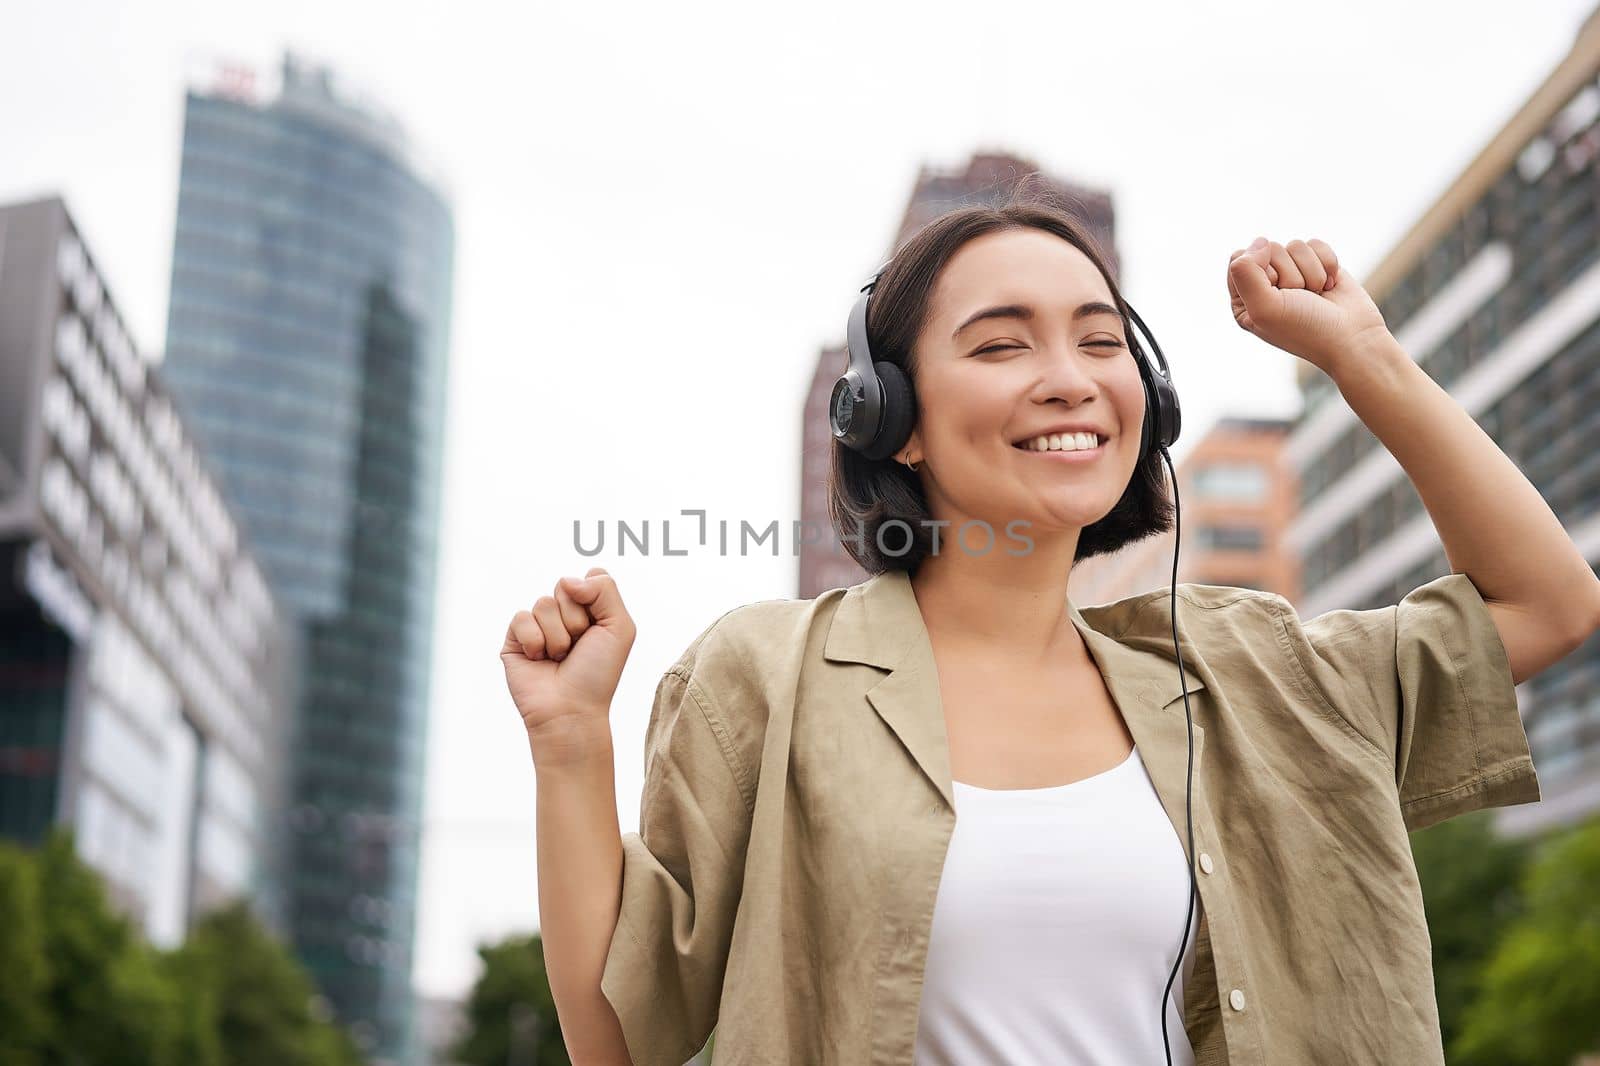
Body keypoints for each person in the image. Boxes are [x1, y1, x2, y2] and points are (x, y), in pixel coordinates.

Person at [501, 187, 1594, 1066]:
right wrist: (569, 744)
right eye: (1000, 347)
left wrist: (1364, 354)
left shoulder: (1253, 671)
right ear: (892, 418)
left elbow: (1546, 604)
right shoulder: (768, 677)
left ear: (1147, 395)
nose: (1069, 381)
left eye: (1100, 341)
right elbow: (619, 1035)